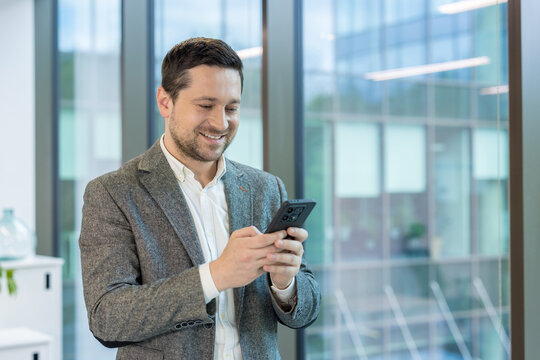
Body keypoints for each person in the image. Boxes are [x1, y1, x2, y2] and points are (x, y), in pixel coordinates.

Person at [79, 37, 320, 360]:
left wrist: (285, 283)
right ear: (165, 102)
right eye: (205, 106)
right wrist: (217, 275)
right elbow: (107, 317)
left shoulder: (267, 188)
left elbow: (306, 311)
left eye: (231, 108)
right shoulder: (113, 193)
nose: (221, 123)